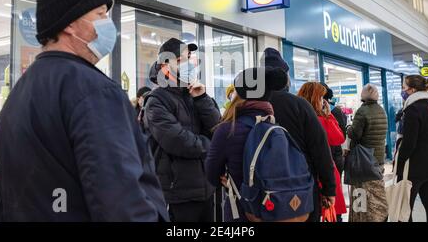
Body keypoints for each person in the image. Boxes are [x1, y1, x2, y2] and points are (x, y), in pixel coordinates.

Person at [0, 0, 168, 222]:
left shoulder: (19, 94)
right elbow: (120, 204)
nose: (109, 25)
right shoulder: (94, 91)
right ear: (71, 24)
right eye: (100, 14)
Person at [144, 38, 221, 222]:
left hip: (207, 188)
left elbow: (218, 127)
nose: (189, 64)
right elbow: (179, 142)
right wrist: (213, 146)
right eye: (180, 60)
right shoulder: (156, 101)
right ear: (165, 65)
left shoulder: (195, 93)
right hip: (177, 192)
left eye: (190, 58)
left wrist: (202, 98)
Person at [261, 48, 336, 222]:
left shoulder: (251, 105)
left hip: (263, 191)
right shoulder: (299, 105)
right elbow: (320, 149)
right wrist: (328, 189)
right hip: (301, 187)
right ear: (285, 78)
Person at [205, 67, 289, 222]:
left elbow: (211, 173)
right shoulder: (276, 128)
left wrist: (227, 181)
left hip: (241, 210)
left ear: (240, 93)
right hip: (275, 208)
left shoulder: (227, 129)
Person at [297, 82, 346, 221]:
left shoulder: (298, 117)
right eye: (321, 98)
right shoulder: (319, 120)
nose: (323, 102)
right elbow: (338, 138)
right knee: (330, 214)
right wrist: (328, 116)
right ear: (314, 98)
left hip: (304, 174)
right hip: (323, 174)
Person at [347, 84, 388, 222]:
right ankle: (379, 217)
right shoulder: (381, 110)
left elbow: (355, 134)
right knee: (376, 193)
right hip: (378, 158)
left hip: (364, 160)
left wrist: (348, 128)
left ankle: (363, 219)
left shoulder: (362, 111)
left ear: (363, 95)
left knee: (362, 194)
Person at [397, 75, 428, 222]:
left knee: (404, 210)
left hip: (414, 169)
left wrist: (399, 164)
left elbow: (409, 143)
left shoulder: (412, 110)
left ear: (412, 90)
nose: (402, 90)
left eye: (404, 88)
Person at [322, 84, 346, 176]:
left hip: (333, 156)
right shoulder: (336, 110)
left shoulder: (334, 111)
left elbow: (341, 136)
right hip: (334, 155)